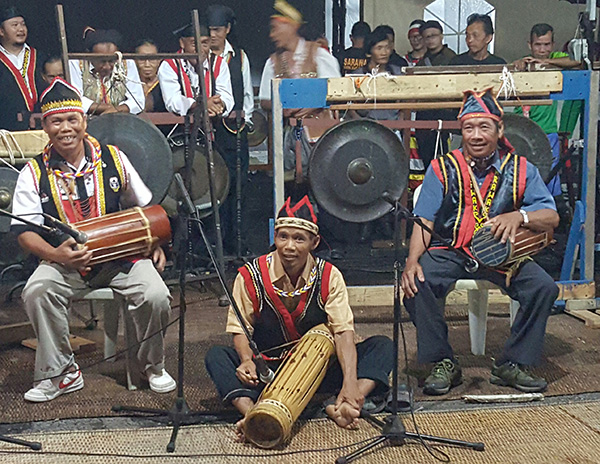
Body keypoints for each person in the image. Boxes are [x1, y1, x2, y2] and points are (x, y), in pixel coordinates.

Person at [10, 78, 176, 402]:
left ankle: (151, 366)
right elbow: (25, 233)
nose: (66, 128)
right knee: (36, 291)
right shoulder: (33, 172)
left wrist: (154, 242)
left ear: (85, 122)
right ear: (46, 126)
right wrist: (59, 256)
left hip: (121, 259)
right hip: (65, 262)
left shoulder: (114, 158)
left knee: (156, 295)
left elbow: (145, 207)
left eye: (73, 119)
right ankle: (61, 373)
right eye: (57, 121)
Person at [402, 88, 559, 396]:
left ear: (499, 130)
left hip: (502, 255)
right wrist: (411, 262)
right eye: (469, 128)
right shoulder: (442, 167)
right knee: (416, 283)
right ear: (462, 132)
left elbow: (551, 216)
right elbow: (424, 220)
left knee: (544, 287)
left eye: (484, 127)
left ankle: (511, 364)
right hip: (451, 251)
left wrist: (521, 218)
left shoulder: (521, 168)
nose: (475, 135)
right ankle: (442, 362)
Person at [205, 196, 394, 440]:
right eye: (283, 236)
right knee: (217, 357)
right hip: (269, 367)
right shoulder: (251, 275)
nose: (289, 246)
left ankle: (347, 399)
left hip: (318, 368)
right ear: (274, 237)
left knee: (382, 347)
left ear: (314, 242)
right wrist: (246, 360)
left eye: (299, 239)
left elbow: (343, 332)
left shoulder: (328, 276)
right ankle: (256, 416)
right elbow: (240, 328)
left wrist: (349, 382)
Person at [259, 0, 340, 184]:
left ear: (291, 26)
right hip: (289, 141)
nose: (272, 35)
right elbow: (264, 99)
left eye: (276, 28)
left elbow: (337, 91)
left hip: (321, 137)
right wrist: (282, 105)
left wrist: (313, 103)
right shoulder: (273, 62)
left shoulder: (319, 55)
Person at [513, 23, 582, 204]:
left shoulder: (557, 59)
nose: (542, 49)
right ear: (530, 44)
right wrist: (519, 66)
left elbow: (578, 62)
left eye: (546, 45)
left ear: (553, 45)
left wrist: (547, 62)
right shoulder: (523, 63)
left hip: (548, 132)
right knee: (521, 177)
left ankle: (554, 214)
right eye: (538, 45)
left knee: (548, 177)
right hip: (522, 131)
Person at [207, 4, 254, 256]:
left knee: (236, 188)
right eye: (210, 30)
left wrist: (243, 123)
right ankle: (215, 246)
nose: (213, 35)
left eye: (217, 29)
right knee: (211, 187)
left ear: (227, 29)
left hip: (233, 131)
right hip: (206, 132)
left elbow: (247, 97)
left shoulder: (240, 57)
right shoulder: (199, 56)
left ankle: (237, 244)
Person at [158, 22, 233, 118]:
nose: (200, 50)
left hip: (213, 125)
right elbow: (173, 100)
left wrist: (219, 104)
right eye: (194, 44)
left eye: (205, 44)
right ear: (182, 43)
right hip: (179, 128)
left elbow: (226, 96)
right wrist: (201, 105)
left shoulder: (218, 64)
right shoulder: (170, 65)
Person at [69, 28, 144, 116]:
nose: (107, 66)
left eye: (111, 61)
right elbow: (76, 99)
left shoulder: (128, 64)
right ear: (89, 55)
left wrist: (115, 111)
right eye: (102, 61)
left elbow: (138, 101)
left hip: (122, 120)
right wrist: (110, 109)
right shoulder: (76, 64)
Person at [415, 20, 456, 169]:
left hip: (446, 114)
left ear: (441, 36)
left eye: (434, 35)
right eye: (427, 37)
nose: (430, 39)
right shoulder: (421, 63)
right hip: (425, 115)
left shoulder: (453, 60)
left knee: (447, 159)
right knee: (427, 159)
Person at [0, 6, 45, 131]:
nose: (21, 29)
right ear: (1, 31)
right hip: (7, 129)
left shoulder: (41, 57)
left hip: (41, 127)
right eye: (14, 25)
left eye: (23, 24)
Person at [135, 39, 166, 113]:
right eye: (142, 59)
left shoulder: (166, 83)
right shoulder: (130, 83)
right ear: (135, 61)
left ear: (159, 61)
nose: (147, 64)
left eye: (152, 59)